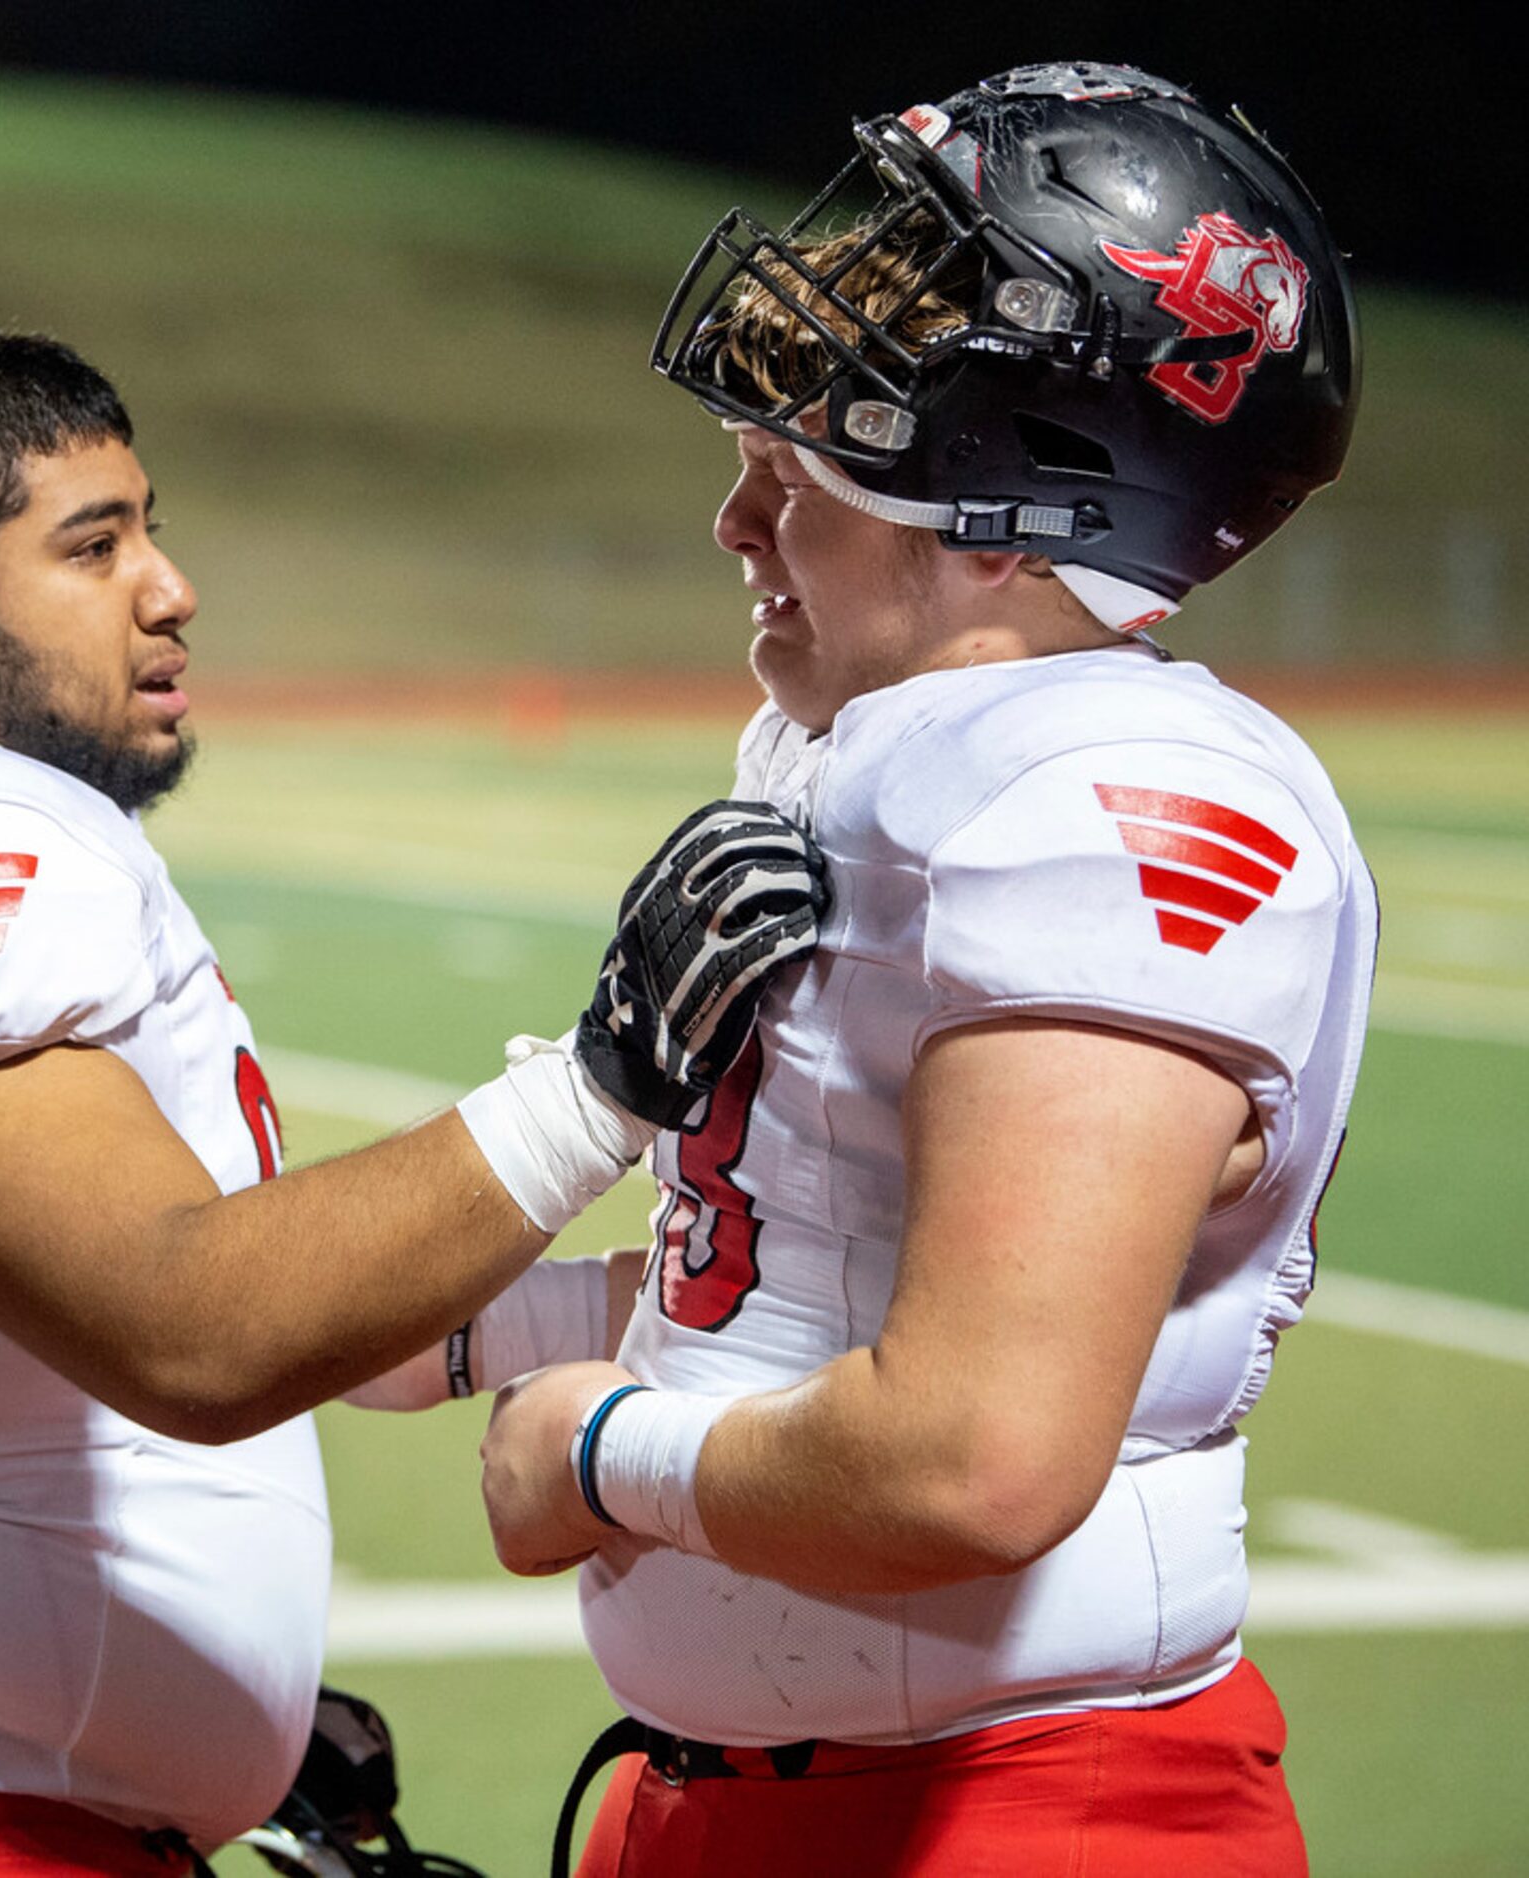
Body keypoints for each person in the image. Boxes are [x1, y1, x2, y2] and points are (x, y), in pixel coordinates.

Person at [0, 333, 829, 1877]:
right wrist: (602, 1086)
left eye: (149, 528)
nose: (168, 588)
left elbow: (213, 1308)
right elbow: (193, 1321)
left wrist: (639, 1308)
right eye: (93, 547)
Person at [466, 61, 1369, 1875]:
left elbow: (977, 1452)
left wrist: (594, 1452)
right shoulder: (877, 752)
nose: (737, 527)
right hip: (767, 1797)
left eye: (793, 473)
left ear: (1026, 491)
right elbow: (837, 1277)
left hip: (1022, 1814)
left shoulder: (1105, 795)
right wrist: (508, 1320)